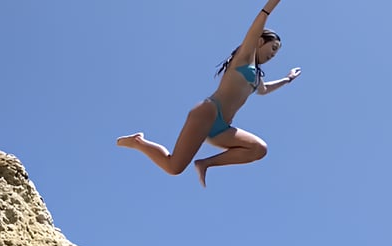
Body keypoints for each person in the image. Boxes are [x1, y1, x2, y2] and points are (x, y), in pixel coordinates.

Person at [117, 0, 301, 187]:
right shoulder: (244, 57)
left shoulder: (256, 77)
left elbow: (264, 90)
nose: (273, 55)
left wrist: (288, 79)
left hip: (222, 129)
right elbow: (259, 21)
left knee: (259, 149)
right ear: (260, 41)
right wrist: (271, 5)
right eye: (273, 48)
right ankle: (138, 142)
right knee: (174, 167)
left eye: (276, 54)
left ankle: (205, 163)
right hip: (208, 112)